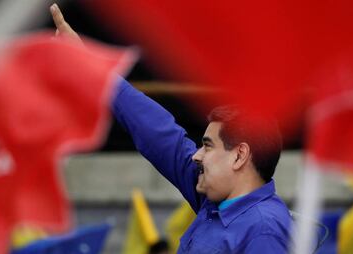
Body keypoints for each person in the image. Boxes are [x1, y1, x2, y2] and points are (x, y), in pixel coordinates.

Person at [50, 4, 292, 253]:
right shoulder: (216, 200)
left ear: (240, 155)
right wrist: (94, 72)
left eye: (208, 146)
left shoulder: (264, 230)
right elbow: (158, 133)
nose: (196, 155)